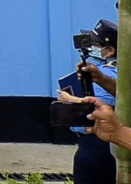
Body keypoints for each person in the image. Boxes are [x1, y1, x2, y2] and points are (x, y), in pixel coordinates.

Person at [57, 19, 118, 184]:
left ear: (110, 50)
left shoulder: (109, 74)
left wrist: (68, 100)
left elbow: (94, 112)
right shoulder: (112, 71)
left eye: (96, 45)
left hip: (97, 147)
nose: (92, 49)